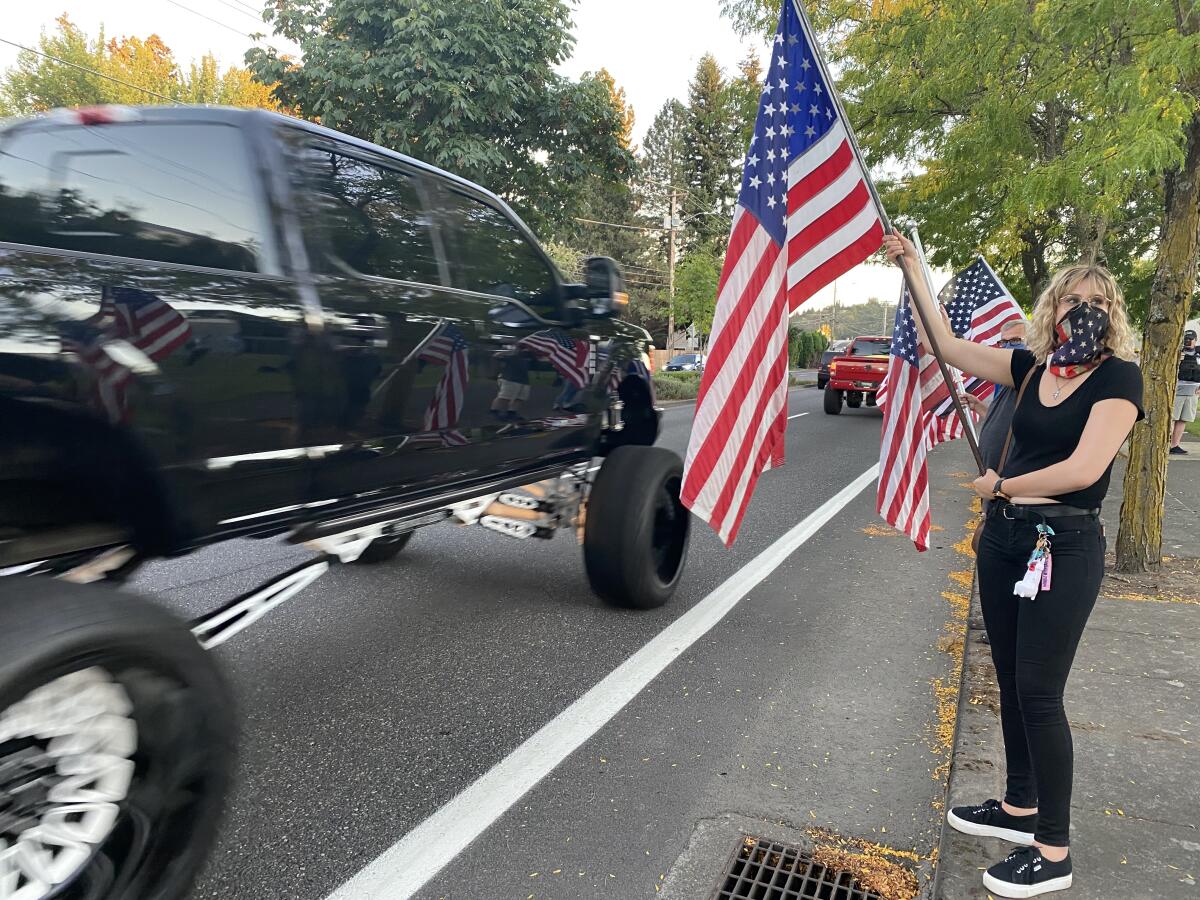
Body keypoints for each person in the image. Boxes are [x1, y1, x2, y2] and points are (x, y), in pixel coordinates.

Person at [885, 233, 1143, 898]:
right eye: (1070, 300)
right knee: (1008, 680)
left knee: (1039, 695)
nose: (1081, 311)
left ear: (1111, 314)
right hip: (1004, 543)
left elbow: (1086, 470)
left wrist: (1002, 486)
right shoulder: (1032, 367)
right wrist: (915, 265)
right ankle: (1019, 808)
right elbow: (946, 347)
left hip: (1065, 546)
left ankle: (1052, 852)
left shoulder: (1119, 378)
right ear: (1053, 309)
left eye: (1096, 302)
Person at [1170, 329, 1198, 455]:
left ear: (1195, 340)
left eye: (1190, 339)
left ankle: (1175, 445)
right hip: (1177, 390)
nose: (1188, 341)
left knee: (1183, 419)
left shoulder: (1198, 355)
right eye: (1186, 338)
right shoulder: (1176, 353)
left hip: (1193, 391)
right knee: (1171, 418)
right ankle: (1166, 444)